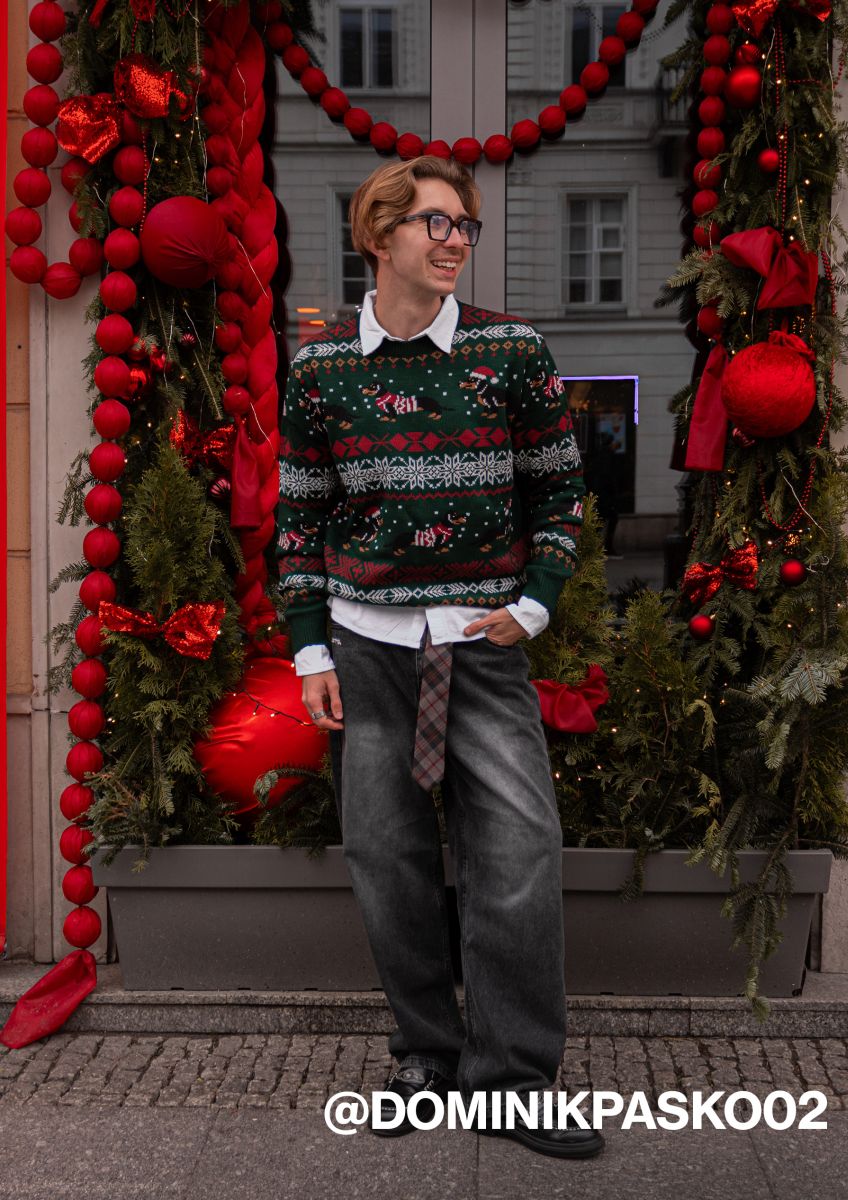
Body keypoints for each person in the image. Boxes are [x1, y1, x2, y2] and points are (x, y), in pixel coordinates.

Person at [275, 156, 601, 1159]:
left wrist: (534, 606)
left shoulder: (513, 352)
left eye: (466, 225)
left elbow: (561, 493)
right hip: (366, 650)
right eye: (436, 223)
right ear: (379, 237)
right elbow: (300, 519)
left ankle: (514, 1081)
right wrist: (309, 649)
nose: (457, 241)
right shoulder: (322, 369)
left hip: (479, 648)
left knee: (518, 855)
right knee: (388, 864)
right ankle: (427, 1055)